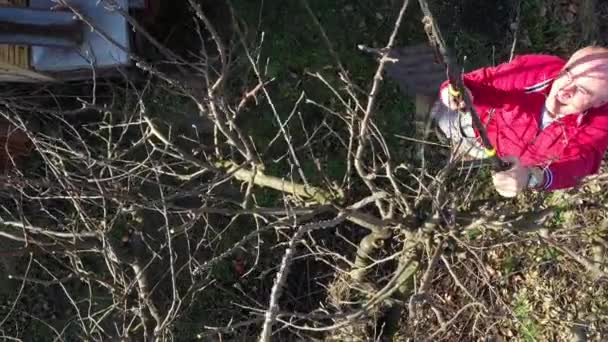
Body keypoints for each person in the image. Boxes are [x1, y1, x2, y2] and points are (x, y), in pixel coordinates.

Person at [433, 46, 608, 197]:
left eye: (582, 90)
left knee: (492, 164)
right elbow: (476, 82)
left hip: (519, 167)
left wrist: (531, 176)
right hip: (485, 130)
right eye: (568, 74)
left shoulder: (601, 122)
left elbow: (580, 165)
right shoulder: (536, 70)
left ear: (600, 102)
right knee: (445, 120)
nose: (565, 90)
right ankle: (459, 135)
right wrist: (454, 92)